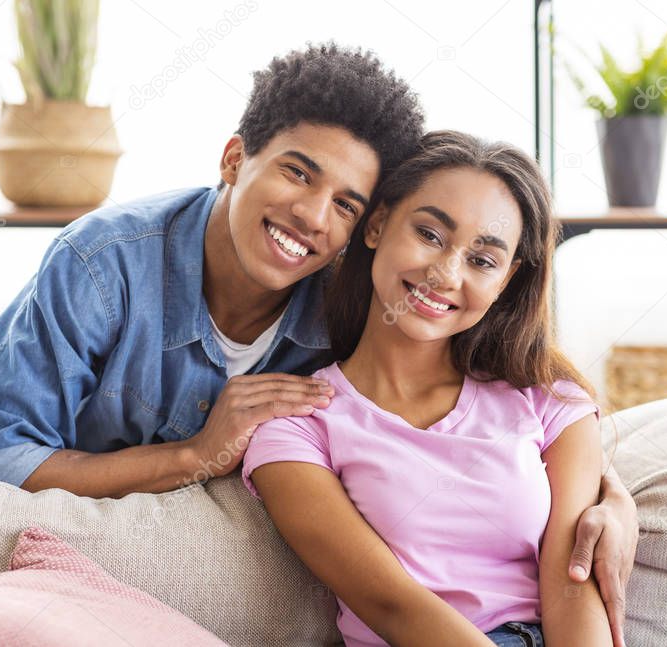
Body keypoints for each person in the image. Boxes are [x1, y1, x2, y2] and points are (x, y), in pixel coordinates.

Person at [0, 44, 636, 641]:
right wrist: (188, 455)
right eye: (298, 173)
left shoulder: (347, 294)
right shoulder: (103, 265)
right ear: (235, 157)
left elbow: (495, 420)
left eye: (346, 203)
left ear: (366, 224)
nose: (310, 216)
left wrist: (608, 491)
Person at [243, 130, 621, 647]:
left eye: (482, 260)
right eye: (429, 234)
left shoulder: (550, 400)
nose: (445, 273)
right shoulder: (294, 425)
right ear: (377, 224)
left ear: (506, 280)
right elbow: (392, 604)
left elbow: (571, 580)